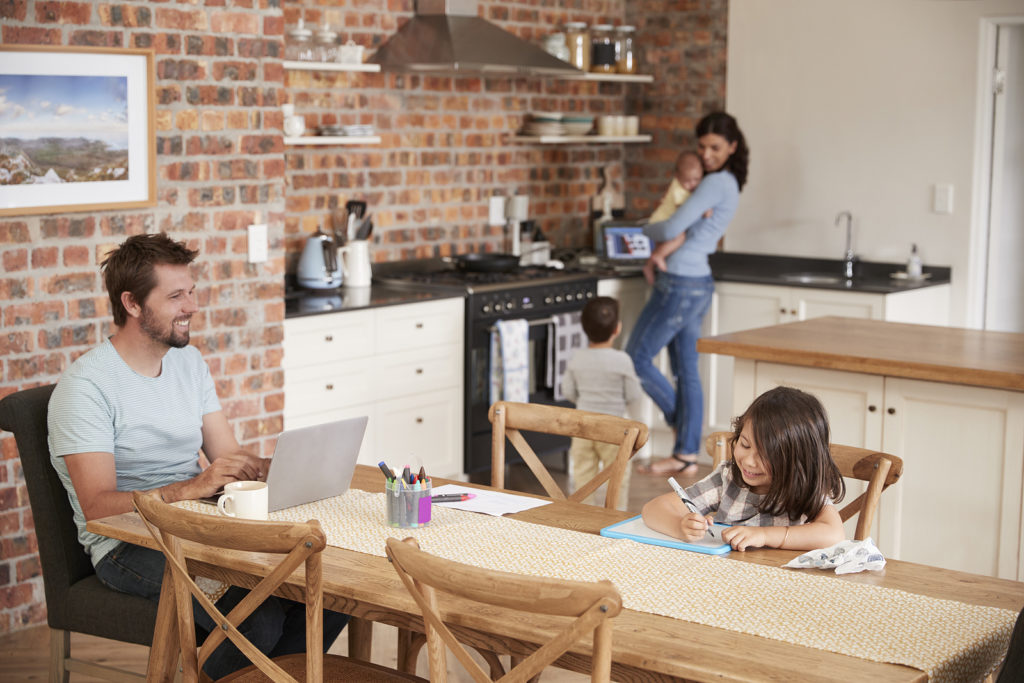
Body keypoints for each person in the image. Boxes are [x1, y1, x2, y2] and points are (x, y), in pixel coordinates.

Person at [47, 233, 347, 679]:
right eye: (176, 297)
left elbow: (230, 457)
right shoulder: (86, 388)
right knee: (258, 619)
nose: (192, 306)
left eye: (191, 291)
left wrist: (286, 465)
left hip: (196, 523)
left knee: (332, 593)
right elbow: (98, 507)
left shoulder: (188, 364)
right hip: (128, 545)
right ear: (132, 304)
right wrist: (191, 487)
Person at [628, 111, 750, 476]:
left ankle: (683, 430)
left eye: (715, 147)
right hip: (696, 282)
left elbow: (671, 228)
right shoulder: (728, 183)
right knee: (686, 372)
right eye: (702, 147)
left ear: (732, 146)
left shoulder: (715, 183)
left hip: (680, 282)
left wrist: (643, 228)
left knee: (636, 358)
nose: (706, 154)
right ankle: (685, 454)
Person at [641, 386, 846, 551]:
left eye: (765, 455)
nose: (748, 461)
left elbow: (834, 535)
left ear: (797, 460)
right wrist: (680, 526)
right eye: (745, 445)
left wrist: (764, 536)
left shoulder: (804, 489)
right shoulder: (728, 479)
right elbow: (653, 509)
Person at [560, 296, 644, 509]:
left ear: (584, 328)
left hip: (583, 427)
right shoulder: (622, 360)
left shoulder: (577, 358)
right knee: (618, 478)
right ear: (617, 329)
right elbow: (633, 394)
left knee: (582, 476)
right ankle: (616, 516)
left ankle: (582, 516)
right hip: (614, 430)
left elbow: (567, 391)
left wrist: (584, 400)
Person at [642, 151, 705, 285]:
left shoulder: (684, 188)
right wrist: (704, 210)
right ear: (677, 176)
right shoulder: (678, 189)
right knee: (680, 237)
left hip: (660, 222)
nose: (692, 184)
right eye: (687, 181)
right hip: (661, 222)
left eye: (696, 179)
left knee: (663, 246)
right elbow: (685, 211)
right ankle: (657, 256)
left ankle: (649, 266)